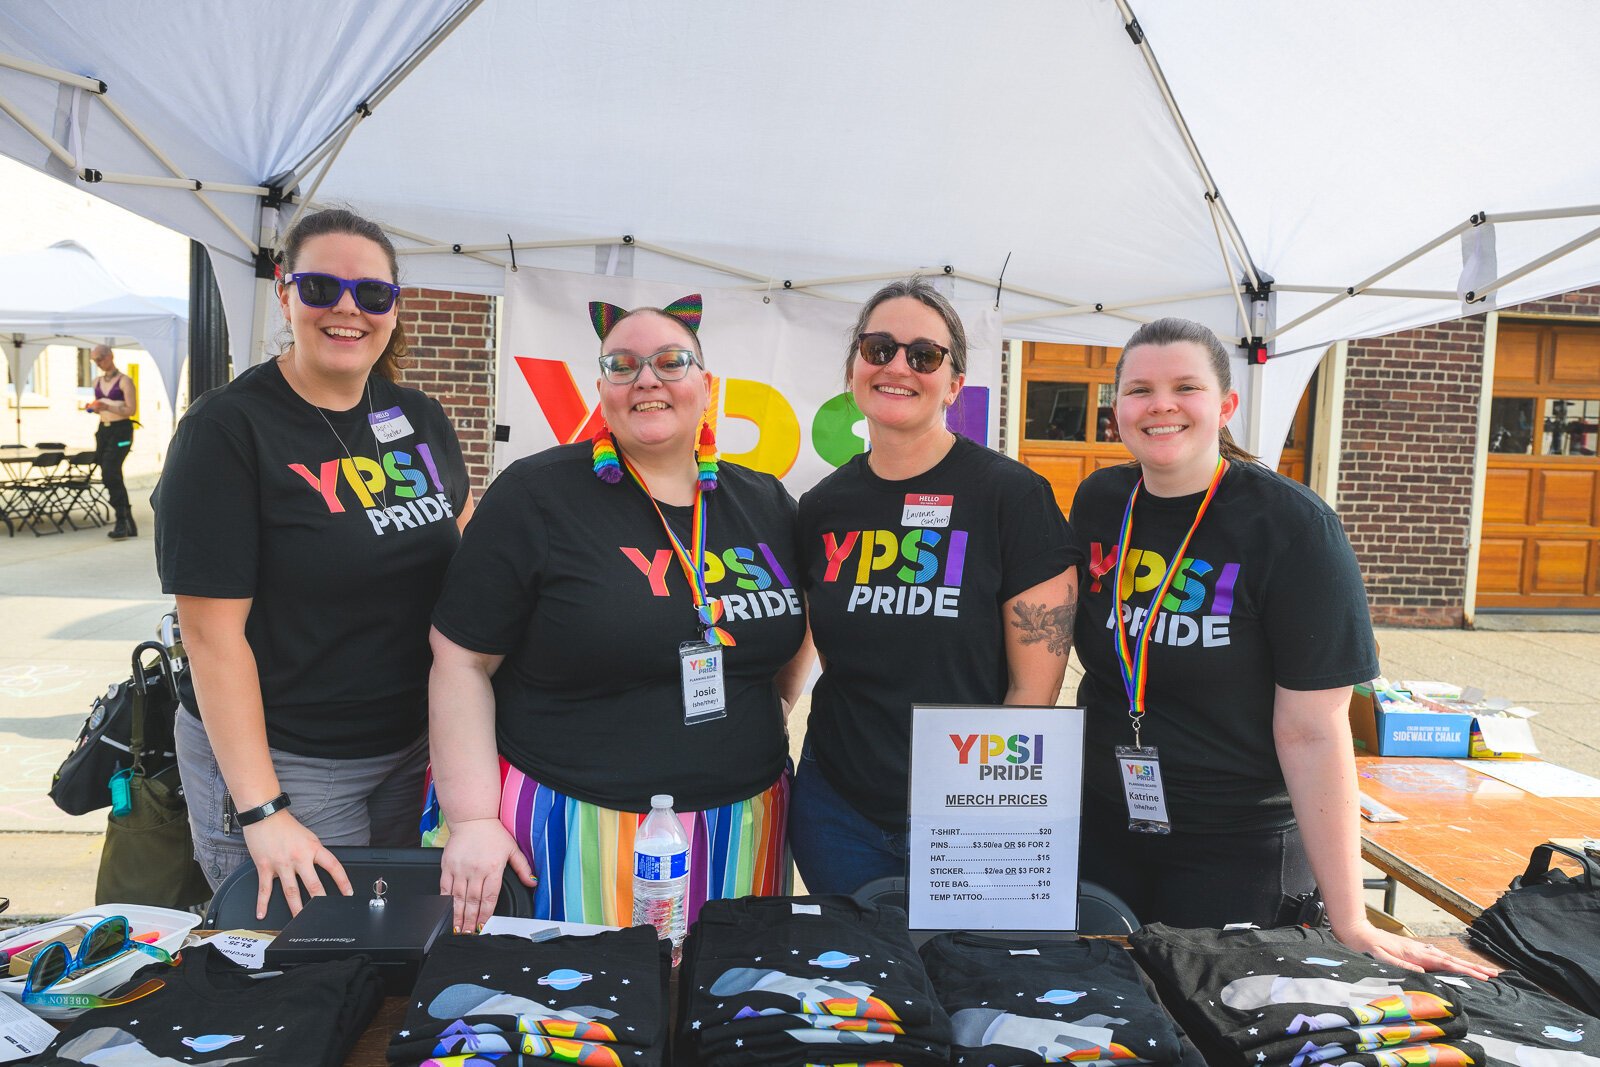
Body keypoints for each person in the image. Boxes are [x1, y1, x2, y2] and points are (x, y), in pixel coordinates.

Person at [1069, 316, 1492, 976]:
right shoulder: (1101, 501)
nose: (1161, 405)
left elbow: (1315, 731)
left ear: (1226, 405)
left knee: (1210, 1018)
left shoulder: (1292, 526)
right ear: (1116, 407)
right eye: (1139, 390)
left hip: (1234, 847)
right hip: (1103, 823)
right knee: (1103, 1008)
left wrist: (1350, 917)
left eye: (1186, 387)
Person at [428, 295, 811, 934]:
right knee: (581, 997)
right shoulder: (537, 494)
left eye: (670, 362)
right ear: (602, 389)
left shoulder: (765, 501)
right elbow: (460, 660)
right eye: (623, 365)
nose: (647, 380)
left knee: (721, 996)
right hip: (570, 828)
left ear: (707, 386)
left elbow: (795, 634)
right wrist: (471, 820)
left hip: (746, 827)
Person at [154, 207, 471, 919]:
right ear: (284, 292)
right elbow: (210, 637)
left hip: (407, 751)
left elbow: (463, 552)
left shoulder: (420, 417)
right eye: (322, 288)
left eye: (373, 293)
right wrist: (263, 809)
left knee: (391, 943)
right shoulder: (226, 430)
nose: (348, 309)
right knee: (306, 959)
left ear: (394, 307)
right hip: (288, 762)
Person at [790, 277, 1078, 894]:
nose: (898, 367)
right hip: (837, 809)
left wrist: (982, 819)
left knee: (961, 960)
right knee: (854, 961)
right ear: (853, 369)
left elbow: (1034, 692)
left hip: (967, 813)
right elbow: (821, 647)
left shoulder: (1012, 498)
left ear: (953, 384)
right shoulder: (822, 506)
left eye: (924, 355)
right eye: (879, 349)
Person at [86, 344, 138, 539]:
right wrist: (93, 408)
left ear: (110, 356)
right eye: (95, 360)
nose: (98, 363)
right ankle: (127, 520)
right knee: (110, 472)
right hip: (104, 430)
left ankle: (121, 520)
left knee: (110, 471)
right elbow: (97, 408)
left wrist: (107, 406)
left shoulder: (125, 381)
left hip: (121, 431)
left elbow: (131, 410)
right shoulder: (97, 381)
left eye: (100, 359)